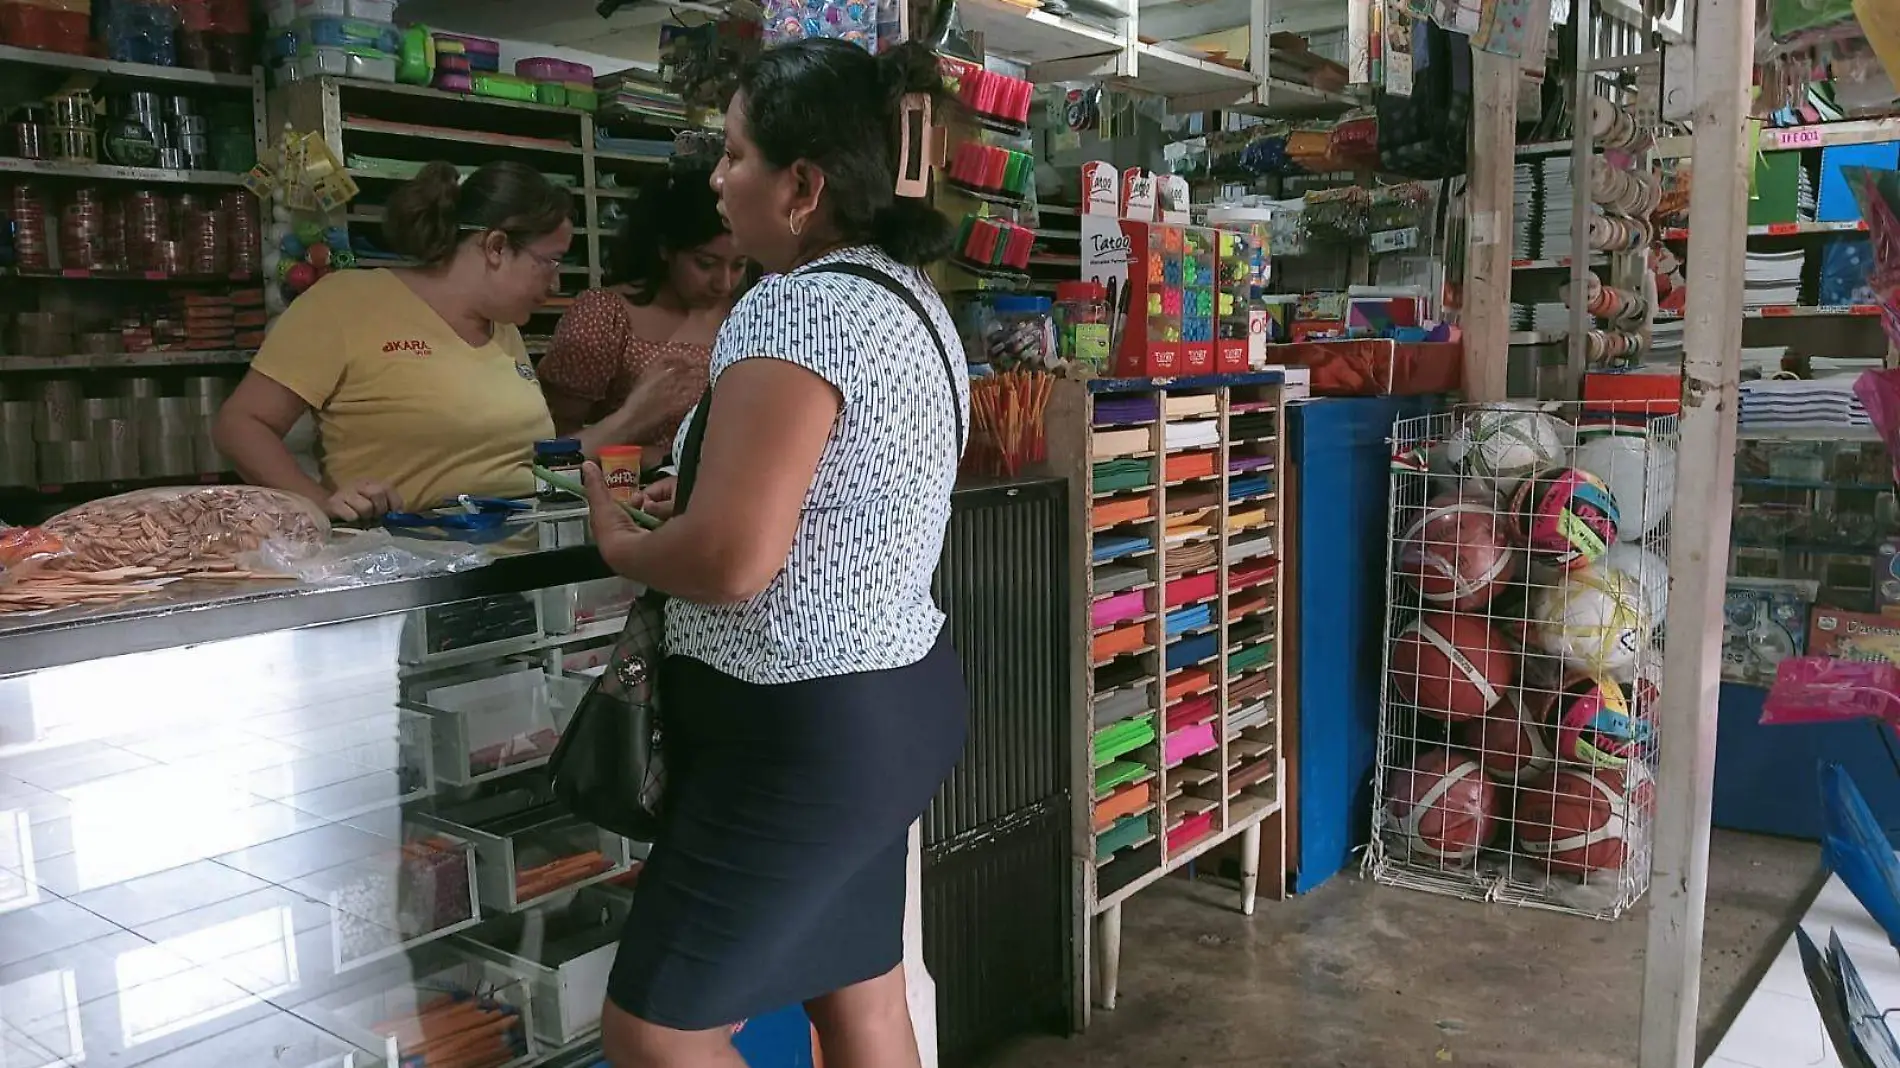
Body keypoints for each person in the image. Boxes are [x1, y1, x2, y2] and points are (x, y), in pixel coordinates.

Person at [575, 38, 968, 1068]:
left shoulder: (795, 307)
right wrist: (698, 496)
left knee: (656, 1027)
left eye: (735, 153)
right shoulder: (909, 298)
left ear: (802, 186)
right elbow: (838, 492)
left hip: (797, 728)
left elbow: (731, 562)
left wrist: (623, 536)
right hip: (888, 708)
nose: (717, 178)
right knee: (859, 995)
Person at [213, 161, 654, 521]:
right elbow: (242, 424)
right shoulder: (347, 303)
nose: (556, 283)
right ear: (497, 247)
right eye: (550, 262)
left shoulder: (504, 328)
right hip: (402, 567)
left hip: (514, 566)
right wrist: (317, 504)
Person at [537, 165, 748, 460]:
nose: (723, 282)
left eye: (738, 265)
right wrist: (638, 422)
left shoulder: (746, 317)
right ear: (665, 249)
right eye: (705, 263)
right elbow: (555, 442)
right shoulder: (604, 315)